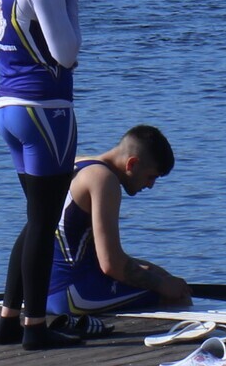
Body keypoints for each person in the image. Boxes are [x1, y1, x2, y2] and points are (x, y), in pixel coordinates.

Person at [0, 0, 95, 351]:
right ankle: (35, 328)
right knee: (45, 221)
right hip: (46, 110)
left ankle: (9, 320)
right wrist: (72, 0)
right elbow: (66, 54)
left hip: (7, 108)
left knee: (36, 218)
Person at [46, 126, 189, 334]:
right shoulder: (104, 180)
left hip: (42, 291)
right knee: (178, 297)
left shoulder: (76, 162)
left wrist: (157, 275)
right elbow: (110, 264)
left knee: (158, 274)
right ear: (132, 163)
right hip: (71, 297)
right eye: (151, 177)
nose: (150, 186)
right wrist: (163, 286)